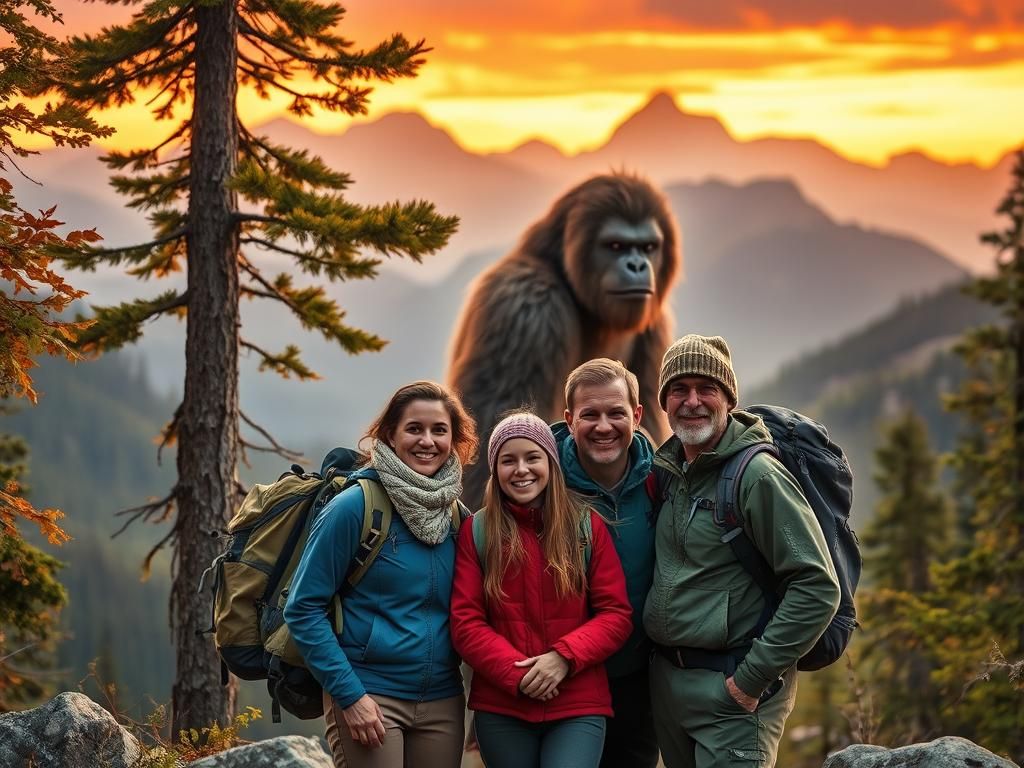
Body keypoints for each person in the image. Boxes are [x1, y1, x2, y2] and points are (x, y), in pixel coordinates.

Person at [644, 335, 841, 768]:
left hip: (732, 697)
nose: (692, 401)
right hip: (671, 689)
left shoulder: (757, 476)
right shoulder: (671, 472)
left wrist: (750, 680)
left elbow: (817, 586)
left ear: (728, 399)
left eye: (706, 388)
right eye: (679, 389)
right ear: (663, 401)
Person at [284, 381, 479, 768]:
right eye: (414, 429)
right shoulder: (356, 507)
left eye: (439, 430)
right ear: (390, 434)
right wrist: (350, 697)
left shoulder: (456, 517)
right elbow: (303, 610)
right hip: (370, 695)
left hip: (442, 699)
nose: (428, 441)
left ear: (454, 439)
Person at [450, 411, 633, 768]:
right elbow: (465, 622)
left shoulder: (586, 527)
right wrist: (520, 675)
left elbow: (616, 615)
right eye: (508, 460)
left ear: (550, 463)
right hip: (502, 706)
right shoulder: (479, 532)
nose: (521, 469)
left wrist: (562, 658)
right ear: (495, 469)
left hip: (577, 703)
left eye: (532, 457)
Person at [551, 358, 659, 768]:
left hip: (640, 678)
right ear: (569, 419)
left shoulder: (661, 480)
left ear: (636, 415)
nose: (603, 426)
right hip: (563, 677)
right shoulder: (543, 482)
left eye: (616, 413)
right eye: (589, 414)